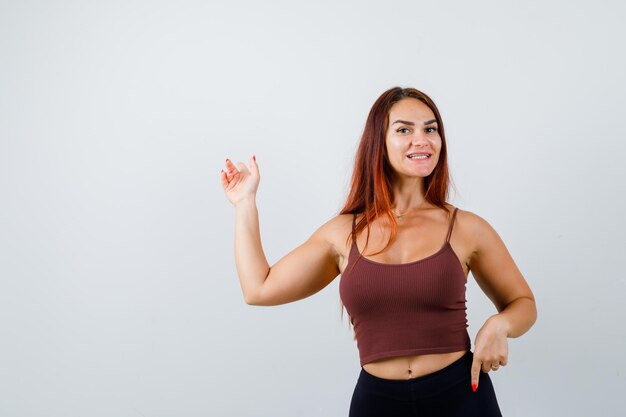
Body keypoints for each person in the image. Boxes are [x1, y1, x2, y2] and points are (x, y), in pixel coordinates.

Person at [220, 86, 537, 416]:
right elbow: (258, 288)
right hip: (377, 403)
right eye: (404, 130)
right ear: (379, 143)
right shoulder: (343, 233)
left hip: (461, 398)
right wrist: (245, 203)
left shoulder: (468, 228)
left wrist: (499, 325)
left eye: (431, 129)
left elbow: (523, 304)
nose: (422, 140)